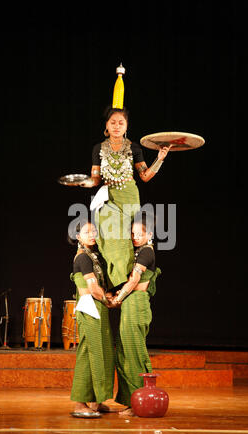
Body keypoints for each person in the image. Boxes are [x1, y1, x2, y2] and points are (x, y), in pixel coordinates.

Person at [89, 106, 171, 290]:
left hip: (129, 198)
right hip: (108, 199)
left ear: (127, 126)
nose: (117, 126)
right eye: (113, 123)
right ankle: (116, 283)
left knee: (128, 239)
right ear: (106, 126)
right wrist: (85, 183)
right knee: (111, 237)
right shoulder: (98, 149)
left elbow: (145, 176)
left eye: (121, 123)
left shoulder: (134, 148)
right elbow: (95, 179)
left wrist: (159, 159)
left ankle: (128, 285)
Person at [111, 213, 161, 416]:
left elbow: (133, 281)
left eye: (139, 233)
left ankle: (142, 401)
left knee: (135, 354)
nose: (134, 237)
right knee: (123, 353)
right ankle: (132, 400)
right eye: (132, 233)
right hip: (129, 306)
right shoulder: (137, 252)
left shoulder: (147, 252)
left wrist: (117, 299)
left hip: (136, 304)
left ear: (149, 234)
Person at [69, 220, 115, 418]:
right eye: (87, 232)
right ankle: (80, 403)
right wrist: (110, 301)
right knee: (88, 353)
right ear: (78, 237)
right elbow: (94, 290)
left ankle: (97, 401)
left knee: (102, 352)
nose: (92, 234)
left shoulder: (94, 256)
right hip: (90, 307)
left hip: (99, 308)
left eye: (94, 230)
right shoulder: (83, 258)